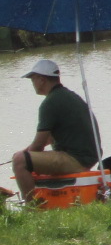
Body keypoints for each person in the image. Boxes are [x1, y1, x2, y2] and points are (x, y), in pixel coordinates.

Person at [9, 60, 100, 203]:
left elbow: (38, 146)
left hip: (76, 159)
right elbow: (47, 139)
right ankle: (46, 199)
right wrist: (27, 153)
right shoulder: (66, 96)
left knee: (19, 161)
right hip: (88, 157)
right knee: (23, 157)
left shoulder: (50, 103)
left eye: (32, 79)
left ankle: (32, 208)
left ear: (42, 79)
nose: (32, 82)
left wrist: (20, 157)